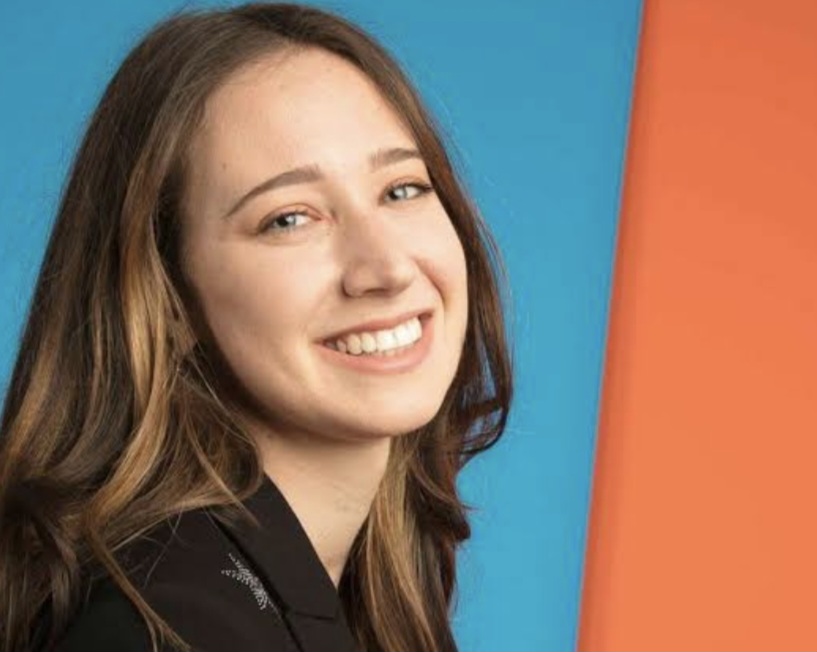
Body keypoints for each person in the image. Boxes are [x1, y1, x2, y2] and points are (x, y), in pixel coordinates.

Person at [0, 3, 512, 652]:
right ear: (170, 298)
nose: (385, 269)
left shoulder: (338, 596)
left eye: (401, 189)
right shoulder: (166, 627)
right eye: (289, 218)